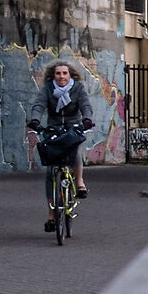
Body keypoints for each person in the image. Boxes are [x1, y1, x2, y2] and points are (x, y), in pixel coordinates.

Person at [27, 59, 94, 230]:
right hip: (54, 128)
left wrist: (87, 119)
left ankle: (79, 183)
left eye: (65, 73)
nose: (61, 76)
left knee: (74, 151)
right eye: (58, 73)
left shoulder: (77, 88)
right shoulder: (48, 89)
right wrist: (35, 120)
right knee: (51, 172)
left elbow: (85, 105)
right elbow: (39, 105)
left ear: (70, 75)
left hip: (73, 126)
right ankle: (51, 216)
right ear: (53, 75)